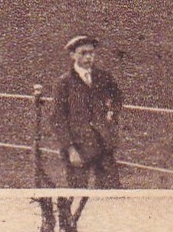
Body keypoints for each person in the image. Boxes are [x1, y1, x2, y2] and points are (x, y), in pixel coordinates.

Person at [51, 35, 123, 188]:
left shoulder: (104, 77)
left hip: (103, 144)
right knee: (78, 194)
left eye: (91, 53)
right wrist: (70, 149)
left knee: (112, 193)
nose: (88, 57)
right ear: (72, 55)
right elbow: (58, 118)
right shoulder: (64, 83)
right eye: (83, 53)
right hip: (78, 147)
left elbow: (117, 98)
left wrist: (111, 114)